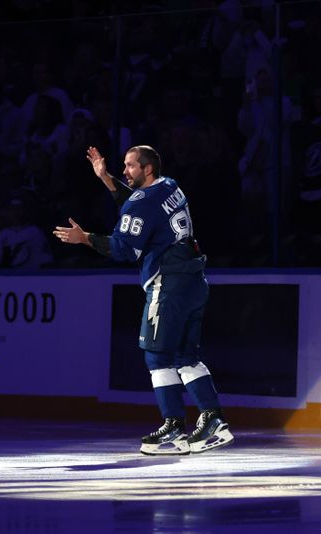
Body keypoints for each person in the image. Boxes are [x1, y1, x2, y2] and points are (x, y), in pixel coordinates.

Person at [53, 145, 234, 455]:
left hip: (168, 284)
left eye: (130, 166)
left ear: (147, 169)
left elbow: (124, 249)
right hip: (193, 280)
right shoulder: (169, 186)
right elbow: (142, 207)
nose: (125, 171)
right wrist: (107, 179)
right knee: (185, 355)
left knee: (157, 356)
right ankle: (213, 420)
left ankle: (174, 428)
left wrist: (85, 239)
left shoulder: (142, 202)